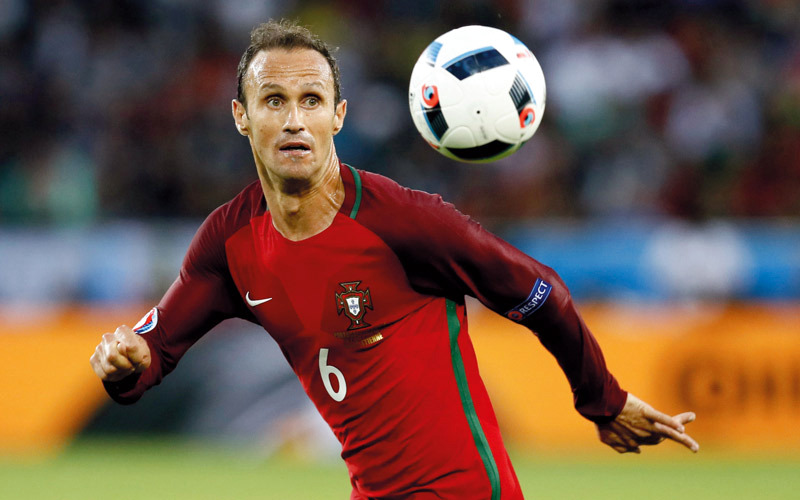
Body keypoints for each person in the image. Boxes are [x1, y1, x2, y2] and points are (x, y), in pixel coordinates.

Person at [90, 19, 699, 500]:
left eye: (312, 100)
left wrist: (602, 400)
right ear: (241, 117)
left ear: (338, 115)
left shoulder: (404, 220)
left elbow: (544, 294)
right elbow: (151, 356)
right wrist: (122, 364)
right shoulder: (229, 241)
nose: (295, 120)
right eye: (274, 101)